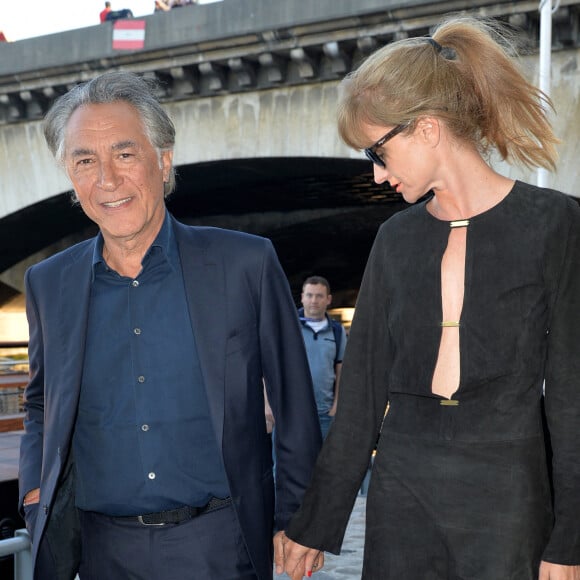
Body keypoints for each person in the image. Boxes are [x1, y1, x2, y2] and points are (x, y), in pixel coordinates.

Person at [278, 15, 580, 580]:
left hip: (509, 493)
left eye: (377, 152)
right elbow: (362, 394)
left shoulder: (554, 224)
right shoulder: (395, 239)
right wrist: (314, 522)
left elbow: (572, 397)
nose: (376, 174)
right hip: (403, 489)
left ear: (426, 128)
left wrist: (570, 539)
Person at [18, 70, 322, 580]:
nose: (107, 179)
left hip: (220, 548)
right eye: (85, 161)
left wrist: (300, 520)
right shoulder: (48, 283)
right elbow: (39, 400)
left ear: (163, 160)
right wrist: (34, 490)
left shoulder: (244, 264)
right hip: (100, 552)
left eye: (125, 153)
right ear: (71, 176)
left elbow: (293, 402)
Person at [299, 276, 347, 439]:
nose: (314, 300)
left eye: (319, 296)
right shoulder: (289, 327)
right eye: (309, 295)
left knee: (325, 463)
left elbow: (341, 370)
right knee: (289, 464)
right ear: (302, 297)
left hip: (325, 413)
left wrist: (336, 406)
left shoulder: (337, 331)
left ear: (328, 299)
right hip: (293, 413)